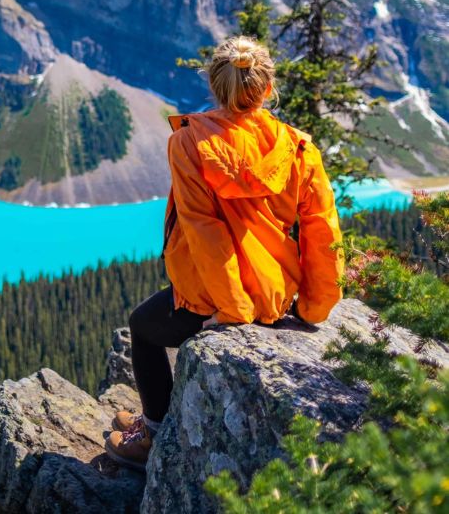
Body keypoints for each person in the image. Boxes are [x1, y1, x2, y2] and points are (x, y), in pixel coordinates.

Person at [104, 35, 344, 469]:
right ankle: (152, 418)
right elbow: (322, 231)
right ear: (268, 89)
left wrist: (231, 311)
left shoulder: (191, 142)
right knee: (148, 323)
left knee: (142, 326)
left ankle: (153, 433)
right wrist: (314, 307)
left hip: (220, 298)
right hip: (275, 296)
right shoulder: (298, 147)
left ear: (214, 85)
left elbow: (204, 230)